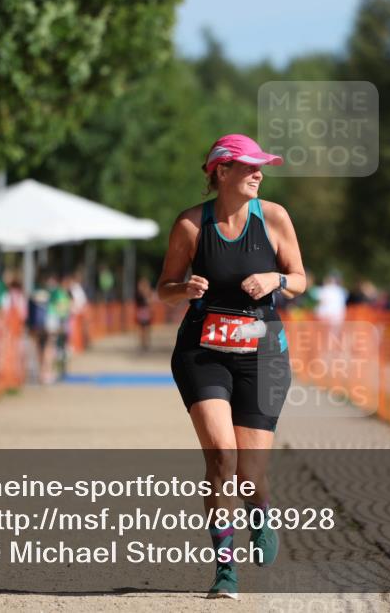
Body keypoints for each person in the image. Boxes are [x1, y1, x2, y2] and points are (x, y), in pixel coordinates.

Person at [157, 133, 306, 599]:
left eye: (262, 167)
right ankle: (225, 568)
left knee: (250, 473)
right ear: (221, 172)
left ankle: (260, 510)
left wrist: (275, 278)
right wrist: (185, 289)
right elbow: (163, 287)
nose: (260, 174)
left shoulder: (275, 218)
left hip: (262, 355)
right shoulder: (190, 225)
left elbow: (300, 279)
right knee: (221, 455)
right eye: (250, 167)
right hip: (204, 353)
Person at [135, 276, 154, 351]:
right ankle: (142, 343)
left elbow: (150, 303)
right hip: (141, 311)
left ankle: (146, 343)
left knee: (146, 328)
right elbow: (138, 303)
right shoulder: (139, 293)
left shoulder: (148, 292)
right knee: (141, 328)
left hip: (146, 312)